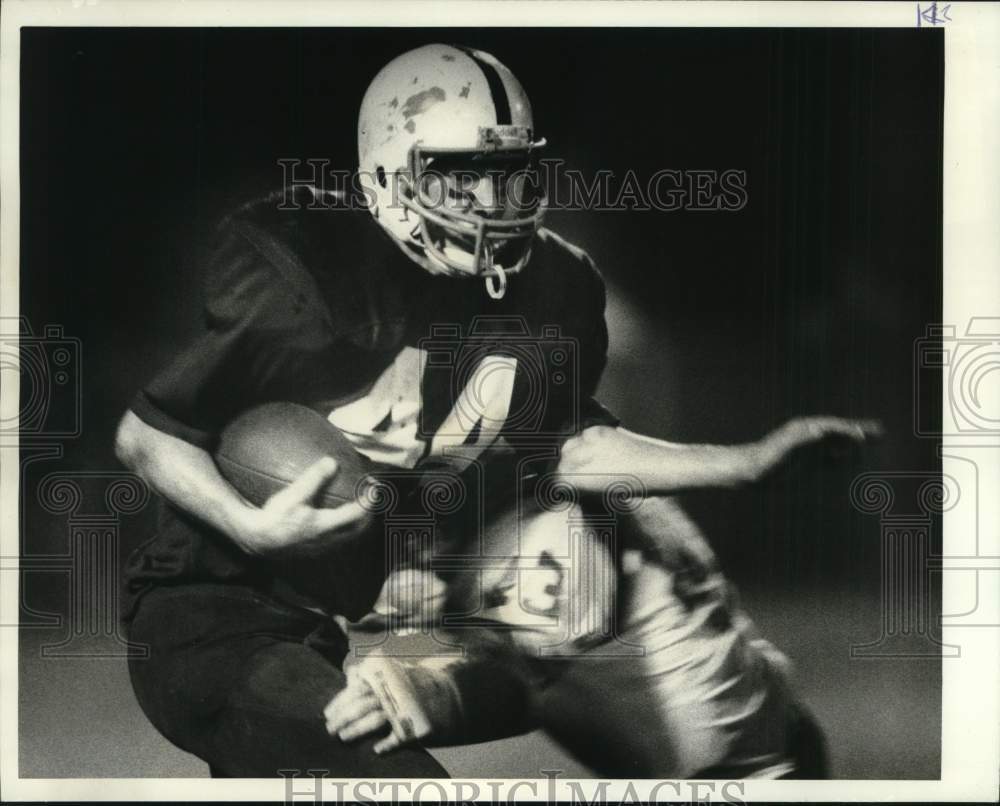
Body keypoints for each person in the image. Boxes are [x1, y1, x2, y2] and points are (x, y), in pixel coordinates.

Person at [118, 43, 878, 779]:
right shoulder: (304, 281)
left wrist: (741, 463)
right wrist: (252, 522)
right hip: (242, 593)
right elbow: (146, 432)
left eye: (509, 175)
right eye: (459, 179)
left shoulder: (554, 284)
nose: (493, 204)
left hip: (403, 560)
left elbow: (565, 444)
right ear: (389, 173)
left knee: (596, 570)